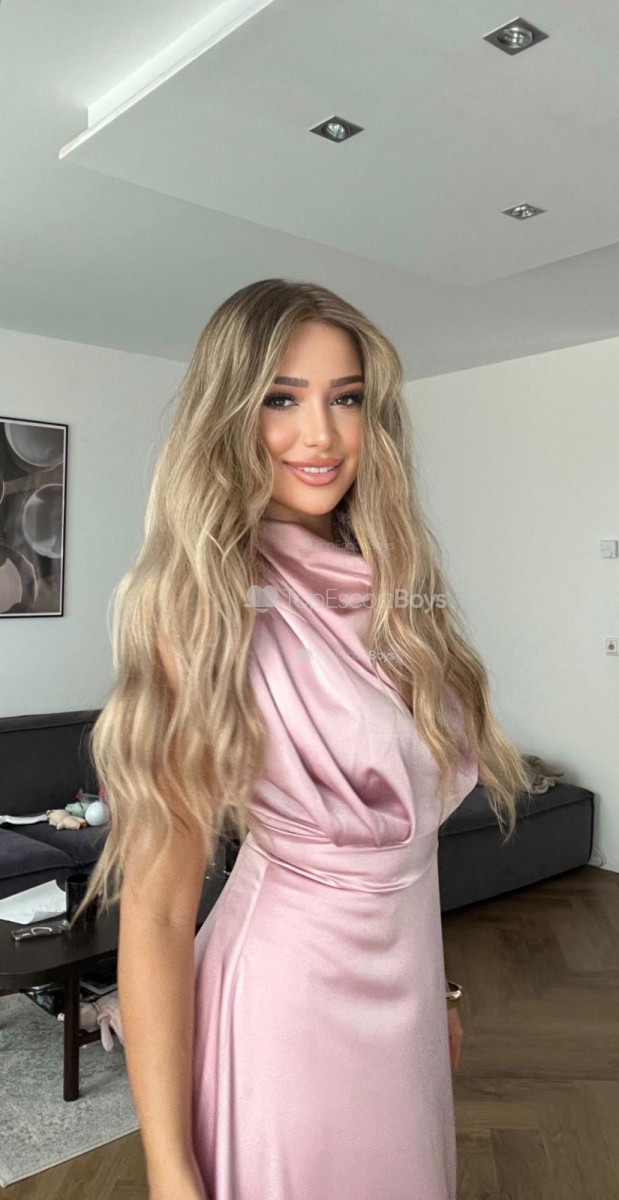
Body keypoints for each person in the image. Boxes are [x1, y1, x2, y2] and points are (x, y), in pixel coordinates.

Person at [73, 279, 530, 1200]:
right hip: (284, 1013)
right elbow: (157, 913)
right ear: (229, 415)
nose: (319, 435)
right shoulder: (200, 609)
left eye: (344, 398)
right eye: (281, 399)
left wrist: (437, 989)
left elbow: (407, 839)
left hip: (404, 999)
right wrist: (168, 1169)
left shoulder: (396, 589)